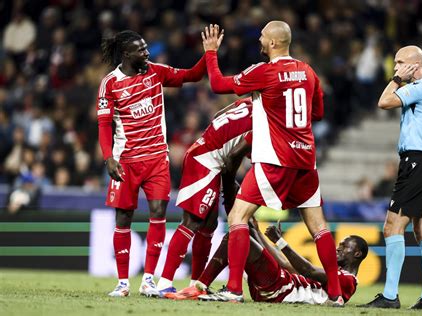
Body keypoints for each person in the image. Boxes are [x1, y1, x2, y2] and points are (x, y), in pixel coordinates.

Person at [200, 23, 343, 305]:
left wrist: (211, 53)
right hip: (305, 159)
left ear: (275, 43)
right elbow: (318, 111)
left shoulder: (264, 72)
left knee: (237, 218)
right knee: (319, 227)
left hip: (275, 159)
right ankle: (336, 294)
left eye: (263, 36)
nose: (260, 39)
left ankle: (233, 290)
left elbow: (218, 85)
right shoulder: (308, 71)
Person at [97, 30, 210, 297]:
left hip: (157, 158)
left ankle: (148, 280)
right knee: (123, 217)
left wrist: (210, 53)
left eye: (147, 48)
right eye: (142, 50)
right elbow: (103, 124)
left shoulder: (156, 73)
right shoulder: (110, 83)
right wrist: (108, 157)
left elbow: (192, 75)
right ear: (126, 54)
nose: (147, 53)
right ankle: (123, 283)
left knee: (158, 213)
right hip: (126, 160)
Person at [359, 45, 422, 310]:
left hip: (417, 164)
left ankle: (390, 295)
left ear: (414, 65)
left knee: (392, 227)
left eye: (400, 63)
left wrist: (396, 80)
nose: (395, 68)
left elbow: (384, 102)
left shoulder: (419, 86)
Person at [155, 98, 253, 297]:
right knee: (192, 221)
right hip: (205, 161)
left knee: (209, 225)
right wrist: (229, 188)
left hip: (205, 155)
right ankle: (164, 282)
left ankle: (196, 284)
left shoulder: (247, 103)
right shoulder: (265, 121)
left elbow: (218, 116)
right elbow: (233, 157)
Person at [170, 219, 367, 305]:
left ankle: (203, 287)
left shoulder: (348, 281)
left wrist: (281, 241)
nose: (337, 248)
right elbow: (286, 265)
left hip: (280, 290)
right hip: (276, 286)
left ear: (357, 254)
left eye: (344, 246)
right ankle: (204, 286)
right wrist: (259, 233)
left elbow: (306, 270)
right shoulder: (335, 273)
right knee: (240, 234)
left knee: (238, 237)